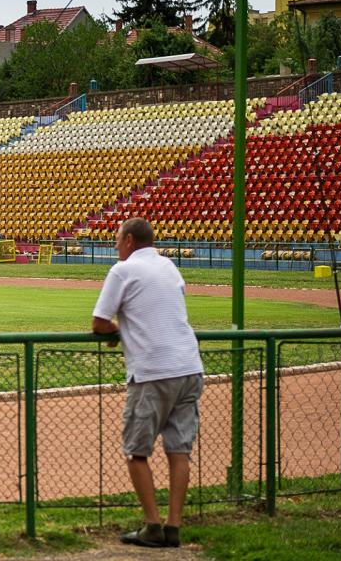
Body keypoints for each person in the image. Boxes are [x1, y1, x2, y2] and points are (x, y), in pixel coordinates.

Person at [91, 218, 204, 549]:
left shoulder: (122, 270)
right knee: (179, 450)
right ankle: (174, 527)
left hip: (153, 371)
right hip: (189, 365)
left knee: (136, 451)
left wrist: (114, 332)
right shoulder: (169, 266)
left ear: (128, 240)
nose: (115, 246)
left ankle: (152, 526)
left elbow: (99, 322)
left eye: (117, 239)